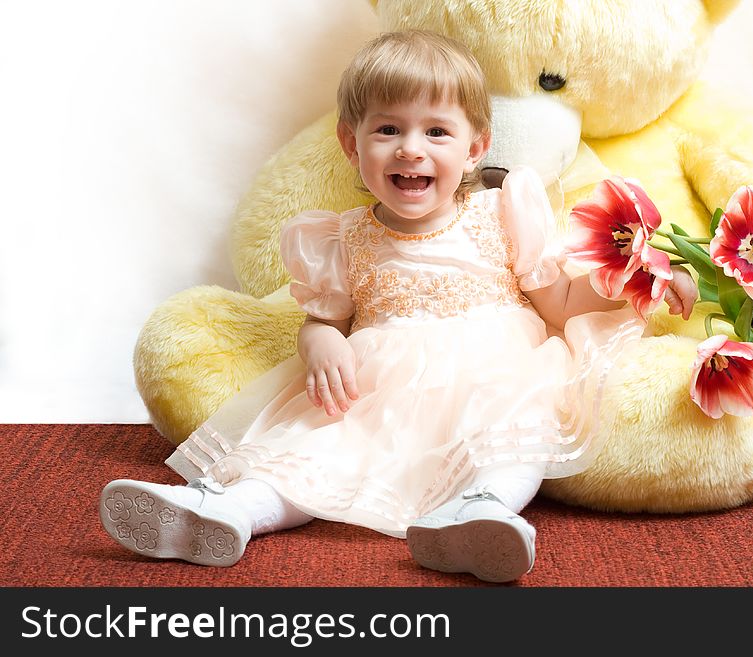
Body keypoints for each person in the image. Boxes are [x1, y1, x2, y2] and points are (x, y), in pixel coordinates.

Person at [100, 30, 696, 583]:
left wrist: (636, 279)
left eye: (436, 132)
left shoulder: (502, 212)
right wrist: (322, 342)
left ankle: (479, 511)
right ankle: (227, 510)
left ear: (474, 149)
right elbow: (323, 320)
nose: (411, 150)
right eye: (387, 130)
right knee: (307, 448)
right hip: (375, 389)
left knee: (513, 438)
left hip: (497, 375)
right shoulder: (343, 237)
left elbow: (562, 303)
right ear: (350, 143)